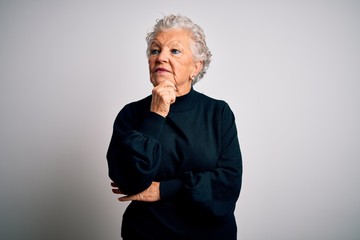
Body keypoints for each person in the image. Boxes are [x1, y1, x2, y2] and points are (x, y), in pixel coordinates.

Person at [107, 14, 242, 240]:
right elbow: (129, 180)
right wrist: (156, 113)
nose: (161, 58)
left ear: (196, 67)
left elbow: (227, 184)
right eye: (155, 50)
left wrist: (162, 190)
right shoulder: (130, 114)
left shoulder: (218, 113)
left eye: (174, 51)